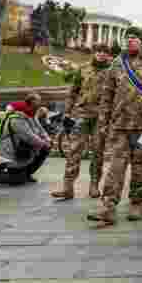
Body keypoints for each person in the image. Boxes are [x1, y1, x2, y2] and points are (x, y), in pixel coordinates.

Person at [88, 28, 142, 226]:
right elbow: (107, 94)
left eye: (134, 38)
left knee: (140, 167)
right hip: (119, 125)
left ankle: (137, 202)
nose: (130, 41)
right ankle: (108, 207)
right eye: (127, 38)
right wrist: (103, 121)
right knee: (115, 167)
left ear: (141, 41)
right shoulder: (117, 64)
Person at [52, 49, 112, 200]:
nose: (101, 54)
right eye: (99, 51)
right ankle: (67, 187)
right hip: (82, 113)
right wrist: (67, 111)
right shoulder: (83, 68)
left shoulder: (112, 71)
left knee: (98, 151)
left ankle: (94, 185)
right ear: (94, 53)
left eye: (105, 52)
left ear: (108, 55)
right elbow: (73, 91)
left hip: (101, 116)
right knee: (74, 149)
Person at [0, 95, 52, 184]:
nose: (38, 108)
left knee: (45, 149)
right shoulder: (16, 118)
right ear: (29, 105)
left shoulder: (31, 114)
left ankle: (26, 174)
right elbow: (28, 136)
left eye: (38, 105)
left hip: (23, 150)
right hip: (11, 153)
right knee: (18, 181)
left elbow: (40, 129)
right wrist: (44, 143)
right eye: (36, 106)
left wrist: (47, 139)